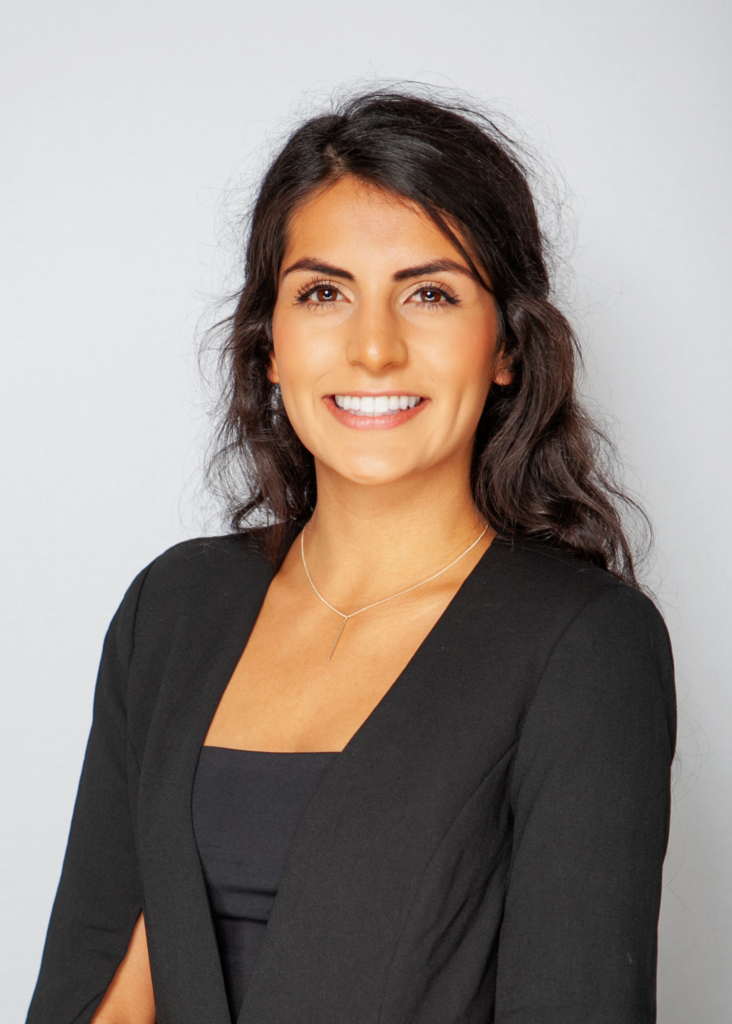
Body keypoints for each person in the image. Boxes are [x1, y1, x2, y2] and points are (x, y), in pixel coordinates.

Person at [26, 89, 676, 1024]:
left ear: (505, 348)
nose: (374, 348)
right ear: (271, 346)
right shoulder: (172, 608)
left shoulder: (584, 647)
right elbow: (108, 992)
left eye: (431, 293)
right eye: (324, 293)